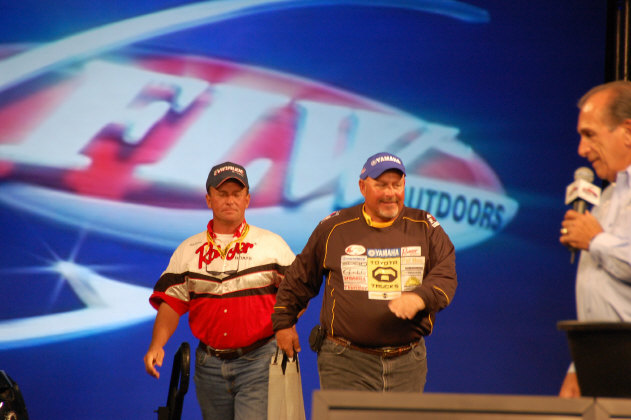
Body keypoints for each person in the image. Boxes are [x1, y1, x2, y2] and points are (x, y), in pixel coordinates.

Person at [272, 152, 457, 392]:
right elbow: (299, 279)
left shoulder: (425, 226)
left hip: (408, 363)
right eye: (381, 185)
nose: (390, 193)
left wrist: (420, 297)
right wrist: (283, 323)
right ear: (362, 187)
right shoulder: (334, 227)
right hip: (345, 362)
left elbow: (446, 274)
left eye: (397, 185)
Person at [143, 161, 295, 420]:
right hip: (208, 366)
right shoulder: (188, 250)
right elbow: (171, 302)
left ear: (247, 199)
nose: (230, 200)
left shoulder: (272, 245)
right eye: (222, 194)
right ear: (208, 199)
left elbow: (297, 292)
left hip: (259, 360)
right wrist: (157, 345)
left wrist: (285, 325)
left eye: (236, 194)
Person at [559, 81, 631, 398]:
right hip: (604, 362)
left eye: (590, 135)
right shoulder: (607, 198)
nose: (581, 149)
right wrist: (579, 367)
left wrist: (596, 240)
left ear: (627, 132)